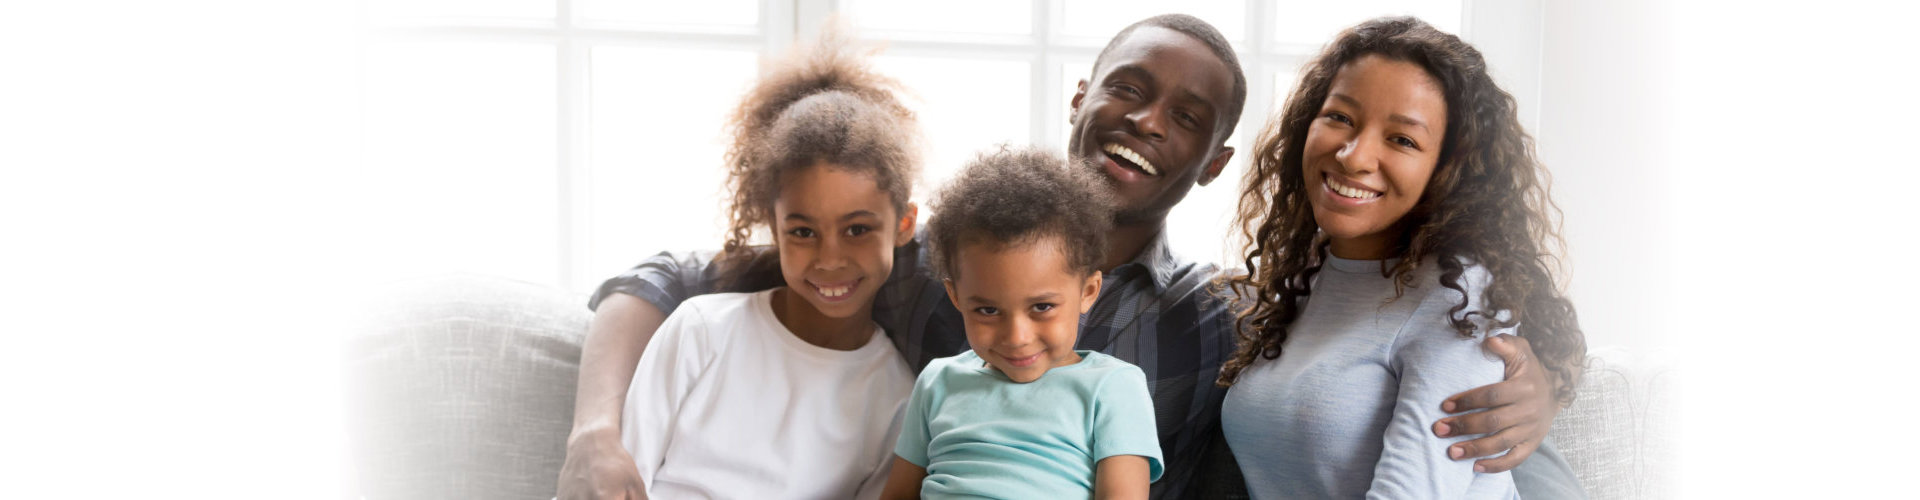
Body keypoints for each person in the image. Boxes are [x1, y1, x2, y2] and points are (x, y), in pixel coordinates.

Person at [560, 14, 1579, 500]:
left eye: (1185, 116)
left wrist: (1557, 375)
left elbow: (1446, 351)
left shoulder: (1225, 317)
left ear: (1217, 160)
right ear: (1080, 96)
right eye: (1128, 87)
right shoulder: (923, 247)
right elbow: (675, 277)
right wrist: (597, 432)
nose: (1145, 121)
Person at [1217, 16, 1587, 499]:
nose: (1353, 155)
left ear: (1448, 170)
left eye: (1403, 139)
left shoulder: (1459, 295)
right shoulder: (1305, 275)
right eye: (1340, 117)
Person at [607, 29, 923, 499]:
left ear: (903, 225)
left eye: (857, 229)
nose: (830, 258)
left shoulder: (898, 396)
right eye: (803, 232)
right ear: (773, 231)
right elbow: (620, 479)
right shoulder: (701, 331)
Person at [880, 147, 1161, 499]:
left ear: (1088, 291)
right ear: (956, 298)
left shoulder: (1113, 388)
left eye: (1042, 307)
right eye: (987, 311)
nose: (1016, 337)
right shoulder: (938, 381)